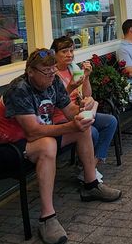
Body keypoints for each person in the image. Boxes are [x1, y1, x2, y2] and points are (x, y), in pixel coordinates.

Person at [0, 48, 122, 244]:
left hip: (34, 139)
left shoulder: (54, 82)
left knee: (83, 129)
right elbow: (33, 132)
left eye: (53, 70)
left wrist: (84, 109)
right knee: (48, 144)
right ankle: (47, 217)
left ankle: (91, 184)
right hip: (7, 149)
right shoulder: (19, 89)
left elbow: (69, 112)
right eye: (46, 71)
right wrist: (71, 126)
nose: (52, 75)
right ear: (31, 71)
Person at [50, 35, 118, 182]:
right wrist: (70, 87)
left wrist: (86, 77)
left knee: (110, 121)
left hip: (80, 112)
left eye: (71, 51)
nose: (69, 55)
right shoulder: (52, 75)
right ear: (54, 54)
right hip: (61, 117)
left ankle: (90, 166)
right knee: (92, 132)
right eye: (64, 51)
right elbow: (53, 103)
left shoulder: (73, 69)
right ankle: (89, 171)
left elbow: (87, 94)